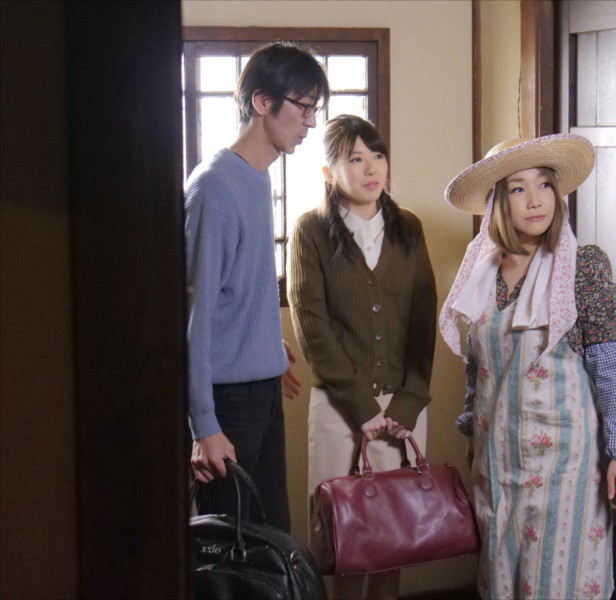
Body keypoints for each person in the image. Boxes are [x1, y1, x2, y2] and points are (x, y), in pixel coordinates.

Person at [440, 134, 616, 600]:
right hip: (496, 463)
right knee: (503, 580)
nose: (535, 200)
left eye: (544, 185)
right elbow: (477, 367)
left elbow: (610, 368)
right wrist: (471, 430)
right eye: (518, 188)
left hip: (564, 467)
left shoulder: (581, 267)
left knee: (558, 582)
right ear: (497, 202)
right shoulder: (482, 273)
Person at [288, 114, 437, 599]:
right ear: (329, 172)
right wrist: (359, 403)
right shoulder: (310, 231)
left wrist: (410, 401)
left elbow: (423, 319)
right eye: (355, 158)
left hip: (402, 411)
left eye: (377, 155)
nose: (372, 168)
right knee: (343, 543)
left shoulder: (409, 227)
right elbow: (311, 323)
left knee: (394, 540)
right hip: (338, 408)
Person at [184, 43, 330, 531]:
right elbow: (194, 316)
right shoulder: (213, 188)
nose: (311, 122)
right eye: (304, 107)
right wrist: (204, 425)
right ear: (262, 102)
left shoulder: (257, 177)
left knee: (271, 541)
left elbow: (243, 288)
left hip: (262, 392)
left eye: (314, 109)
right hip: (227, 402)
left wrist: (267, 347)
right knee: (230, 547)